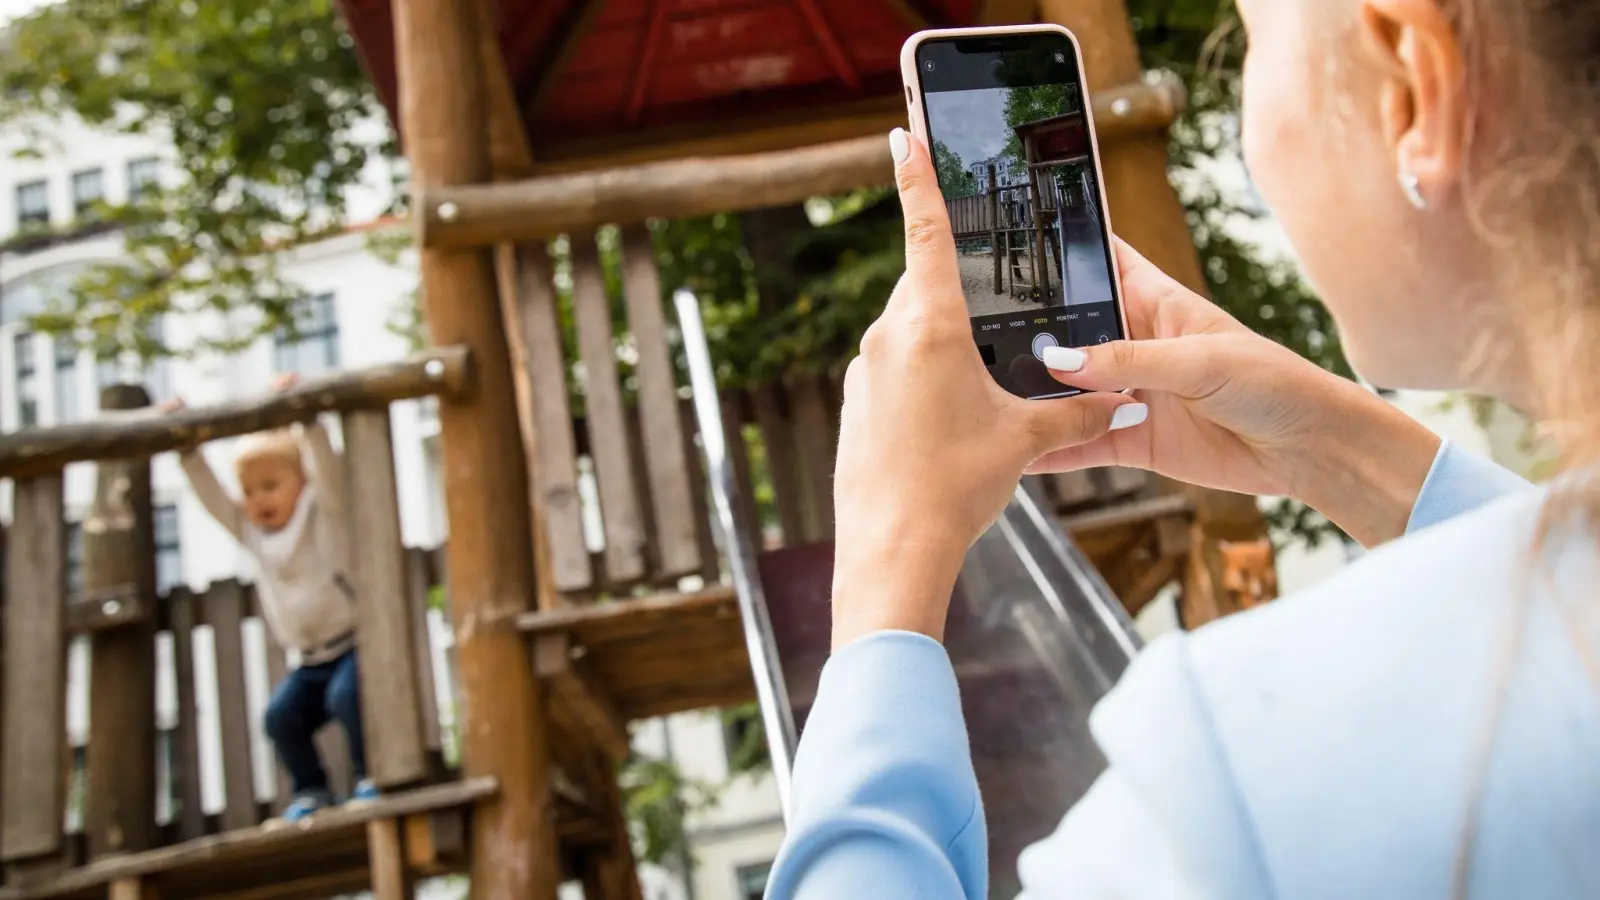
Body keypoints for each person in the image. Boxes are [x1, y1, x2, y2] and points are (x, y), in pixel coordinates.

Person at [767, 0, 1600, 896]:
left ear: (1413, 80)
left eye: (1250, 36)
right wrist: (1342, 452)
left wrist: (881, 578)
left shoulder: (1243, 783)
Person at [167, 374, 377, 823]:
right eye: (248, 490)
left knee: (347, 698)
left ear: (301, 482)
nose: (257, 499)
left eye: (271, 485)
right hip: (309, 660)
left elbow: (327, 469)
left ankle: (368, 776)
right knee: (280, 718)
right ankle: (313, 790)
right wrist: (187, 449)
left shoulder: (324, 513)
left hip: (352, 645)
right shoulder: (251, 533)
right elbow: (210, 498)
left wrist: (305, 420)